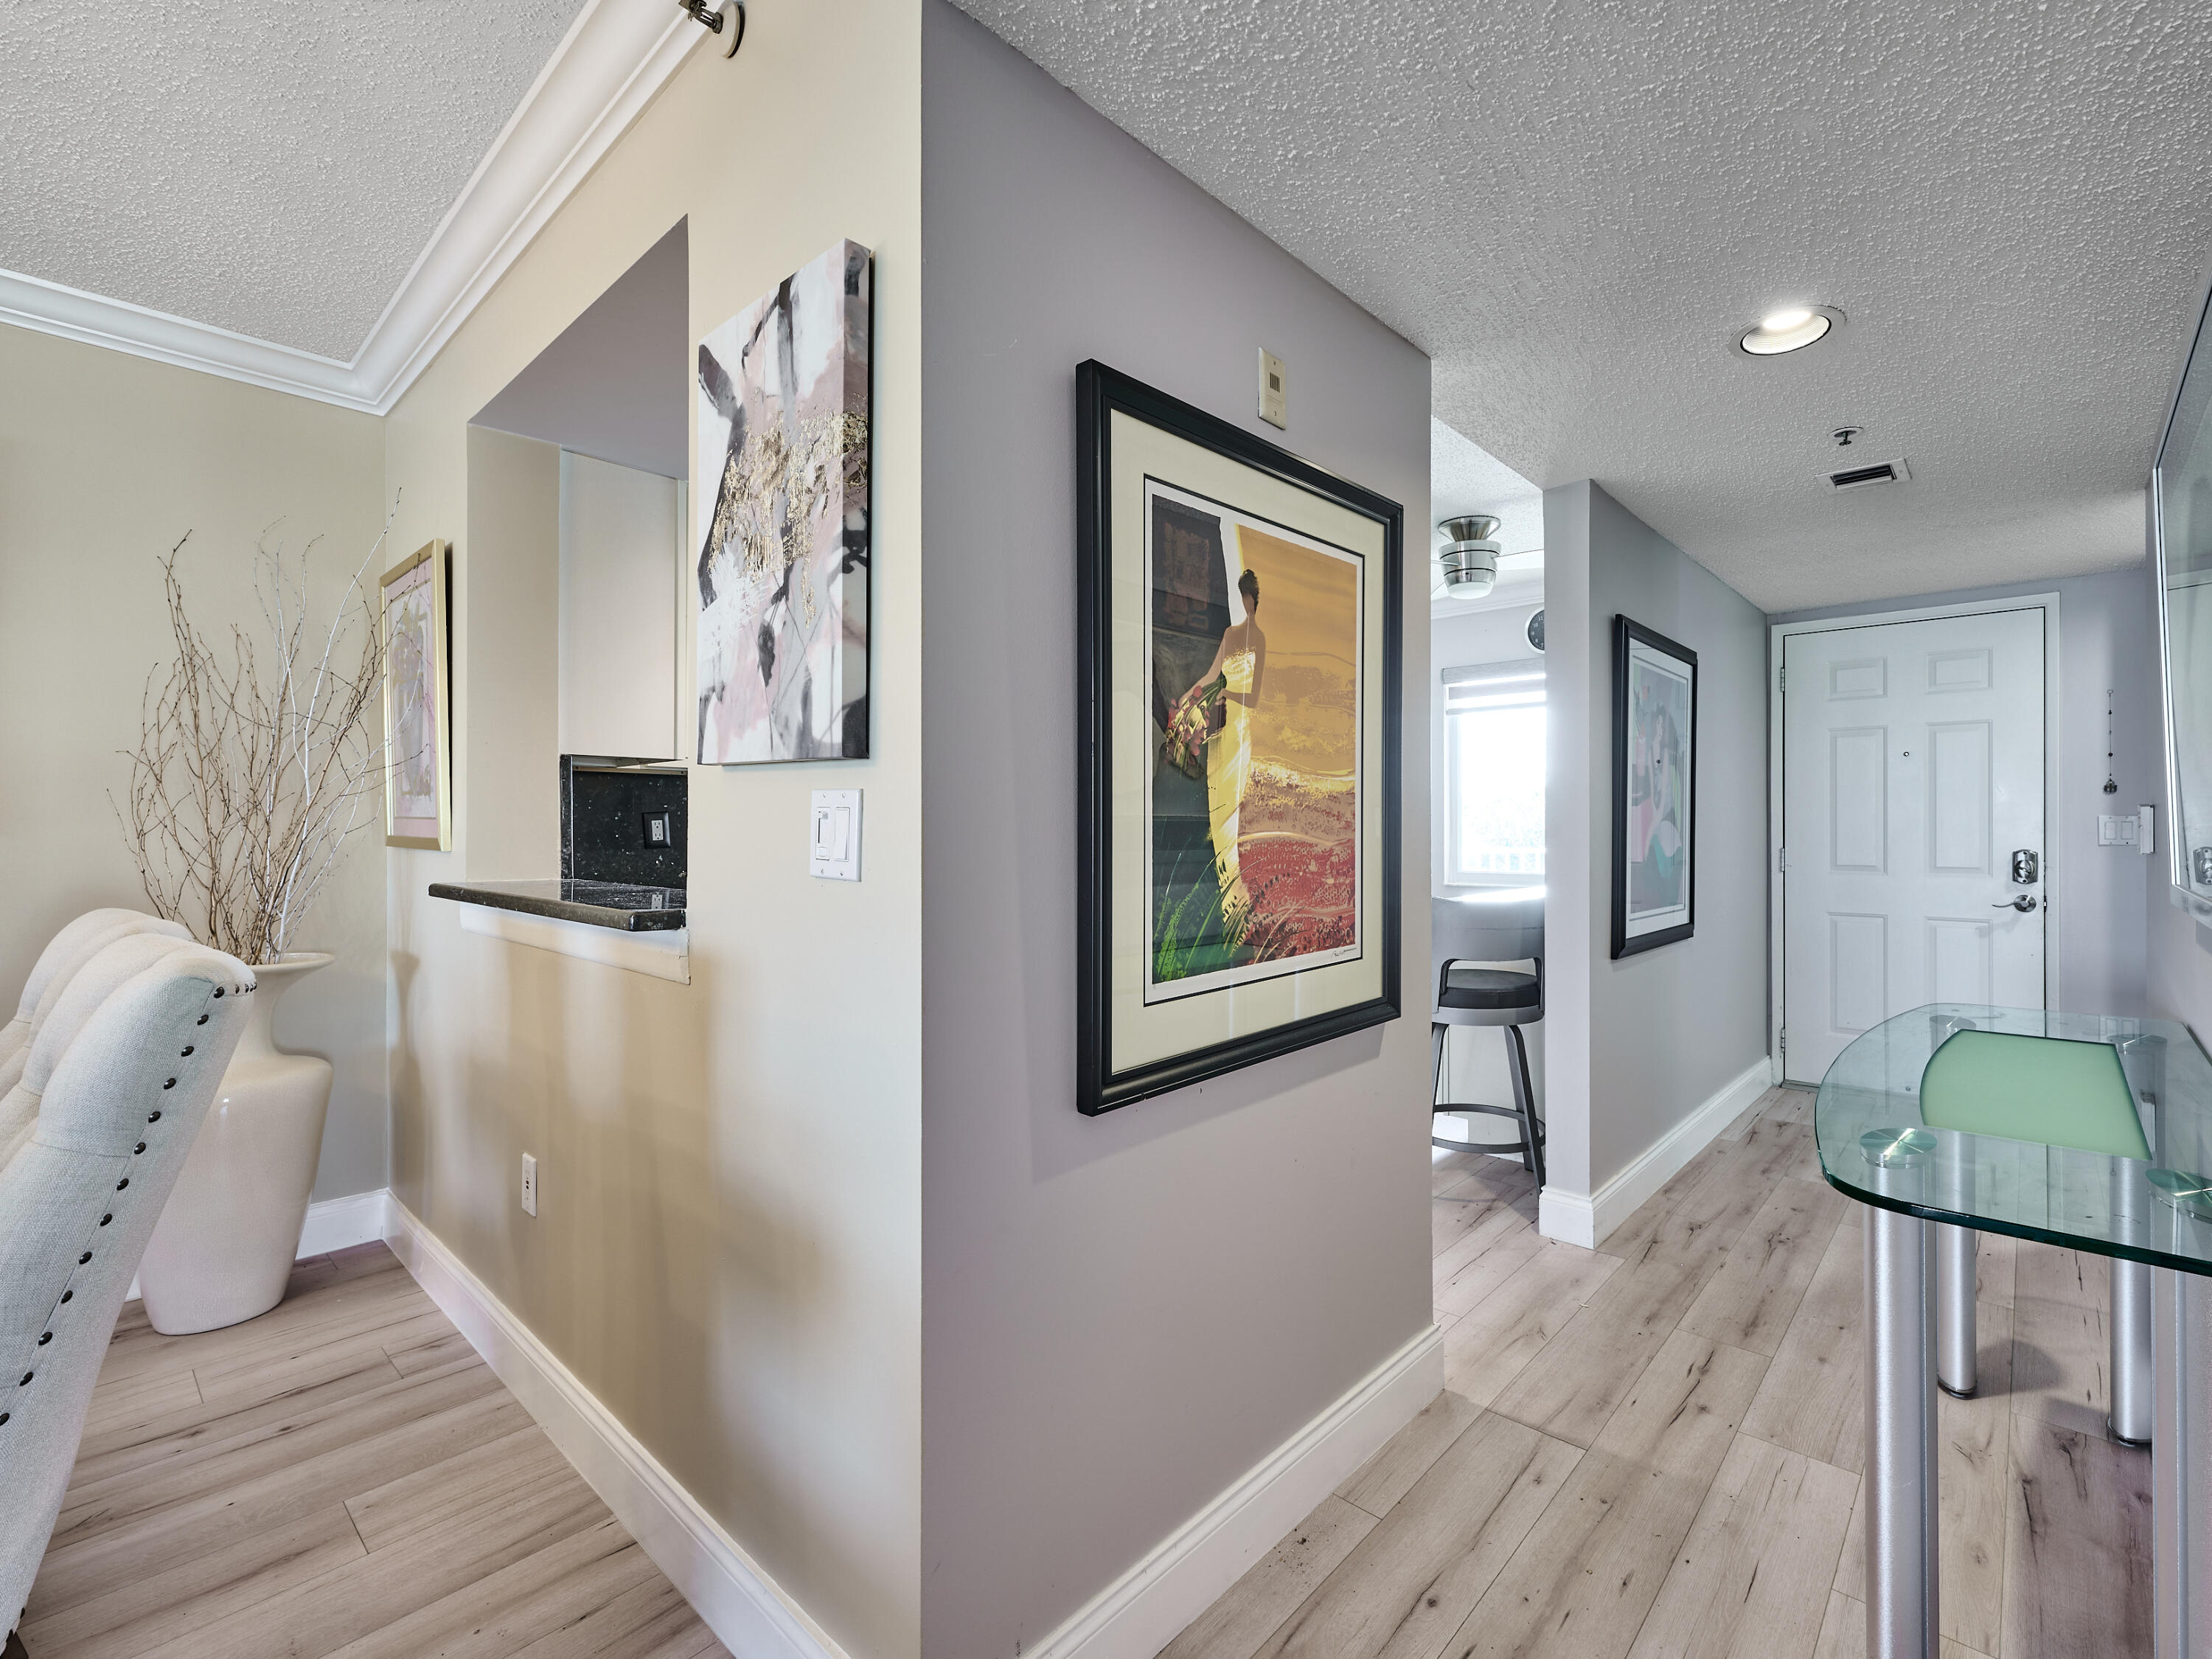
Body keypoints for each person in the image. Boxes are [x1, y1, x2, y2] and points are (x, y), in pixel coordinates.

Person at [1176, 566, 1268, 918]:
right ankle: (1230, 901)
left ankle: (1238, 901)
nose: (1242, 604)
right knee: (1217, 815)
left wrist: (1223, 691)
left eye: (1245, 599)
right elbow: (1211, 674)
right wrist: (1190, 696)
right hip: (1220, 733)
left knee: (1230, 814)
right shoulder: (1230, 635)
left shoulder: (1258, 639)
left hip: (1240, 734)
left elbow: (1254, 697)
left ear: (1252, 601)